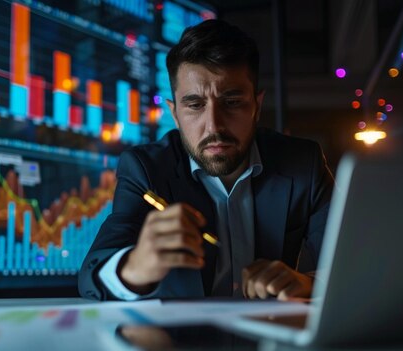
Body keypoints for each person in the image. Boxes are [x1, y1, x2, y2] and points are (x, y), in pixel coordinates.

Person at [78, 19, 333, 301]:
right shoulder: (146, 169)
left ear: (257, 107)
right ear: (174, 114)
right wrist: (137, 267)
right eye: (195, 105)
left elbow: (352, 264)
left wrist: (307, 283)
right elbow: (92, 277)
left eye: (232, 102)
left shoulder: (304, 163)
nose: (214, 126)